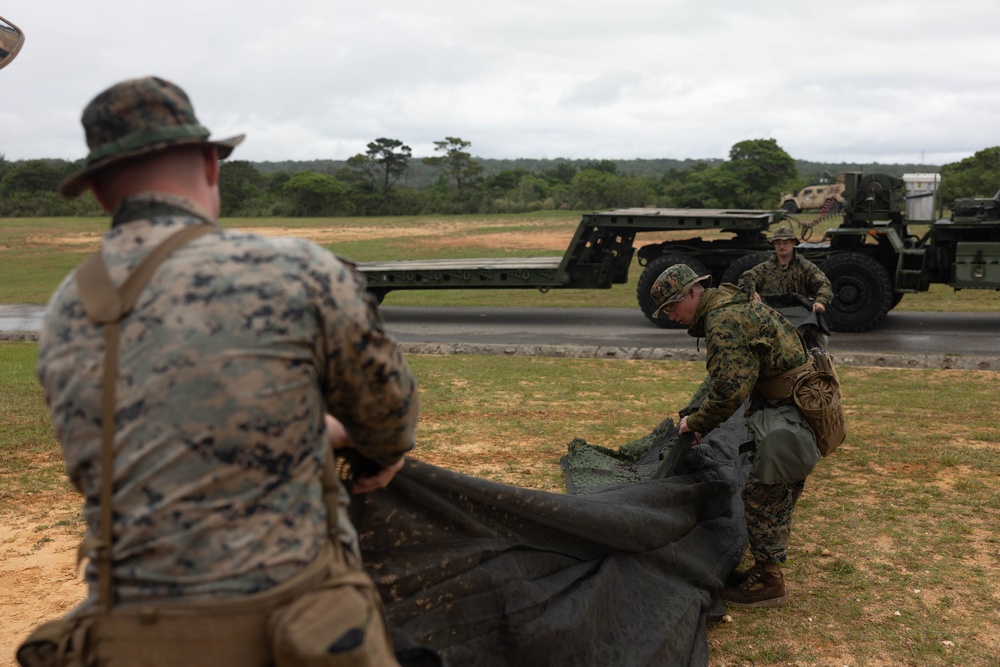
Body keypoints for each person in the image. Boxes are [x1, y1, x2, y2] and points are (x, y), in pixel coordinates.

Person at [32, 76, 418, 663]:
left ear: (100, 193)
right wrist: (369, 446)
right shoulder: (295, 270)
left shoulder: (67, 306)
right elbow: (388, 423)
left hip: (129, 635)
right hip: (295, 628)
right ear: (212, 164)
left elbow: (151, 442)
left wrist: (320, 429)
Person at [650, 264, 821, 608]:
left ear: (692, 294)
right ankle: (766, 565)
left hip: (789, 405)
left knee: (762, 491)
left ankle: (769, 581)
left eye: (672, 307)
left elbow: (730, 390)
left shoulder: (722, 320)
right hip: (795, 399)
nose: (671, 316)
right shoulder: (727, 304)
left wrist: (696, 423)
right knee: (776, 485)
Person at [738, 226, 834, 349]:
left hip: (799, 317)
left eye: (785, 243)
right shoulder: (764, 269)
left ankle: (819, 367)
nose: (782, 246)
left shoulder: (805, 267)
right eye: (778, 243)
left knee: (820, 339)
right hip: (770, 316)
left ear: (793, 243)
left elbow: (823, 284)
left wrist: (820, 301)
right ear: (773, 244)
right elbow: (745, 280)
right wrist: (750, 291)